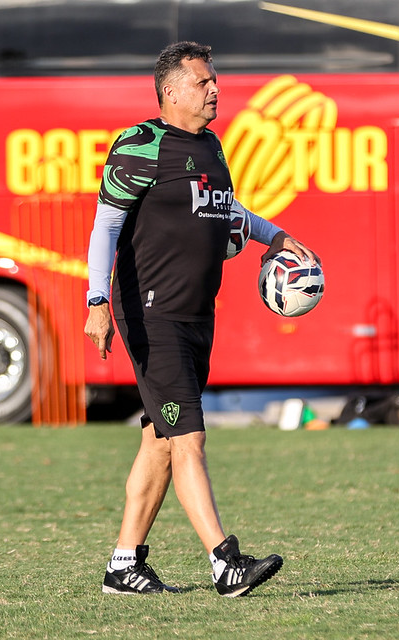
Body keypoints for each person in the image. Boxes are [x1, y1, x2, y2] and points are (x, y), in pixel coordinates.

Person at [84, 41, 319, 597]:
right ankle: (225, 563)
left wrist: (278, 237)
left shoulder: (211, 146)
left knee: (160, 441)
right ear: (171, 92)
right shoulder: (139, 146)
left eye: (215, 81)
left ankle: (124, 565)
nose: (215, 90)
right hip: (152, 316)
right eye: (203, 82)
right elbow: (106, 227)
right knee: (188, 439)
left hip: (196, 318)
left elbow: (227, 213)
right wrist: (97, 301)